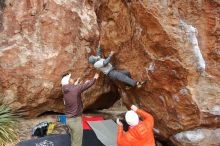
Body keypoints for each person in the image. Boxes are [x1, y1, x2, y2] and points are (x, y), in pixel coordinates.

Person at [61, 72, 99, 146]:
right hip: (75, 120)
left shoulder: (64, 89)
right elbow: (86, 85)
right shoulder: (75, 89)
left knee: (73, 139)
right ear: (68, 81)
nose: (72, 79)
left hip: (68, 120)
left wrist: (77, 83)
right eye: (70, 78)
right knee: (77, 142)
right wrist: (95, 78)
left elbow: (73, 88)